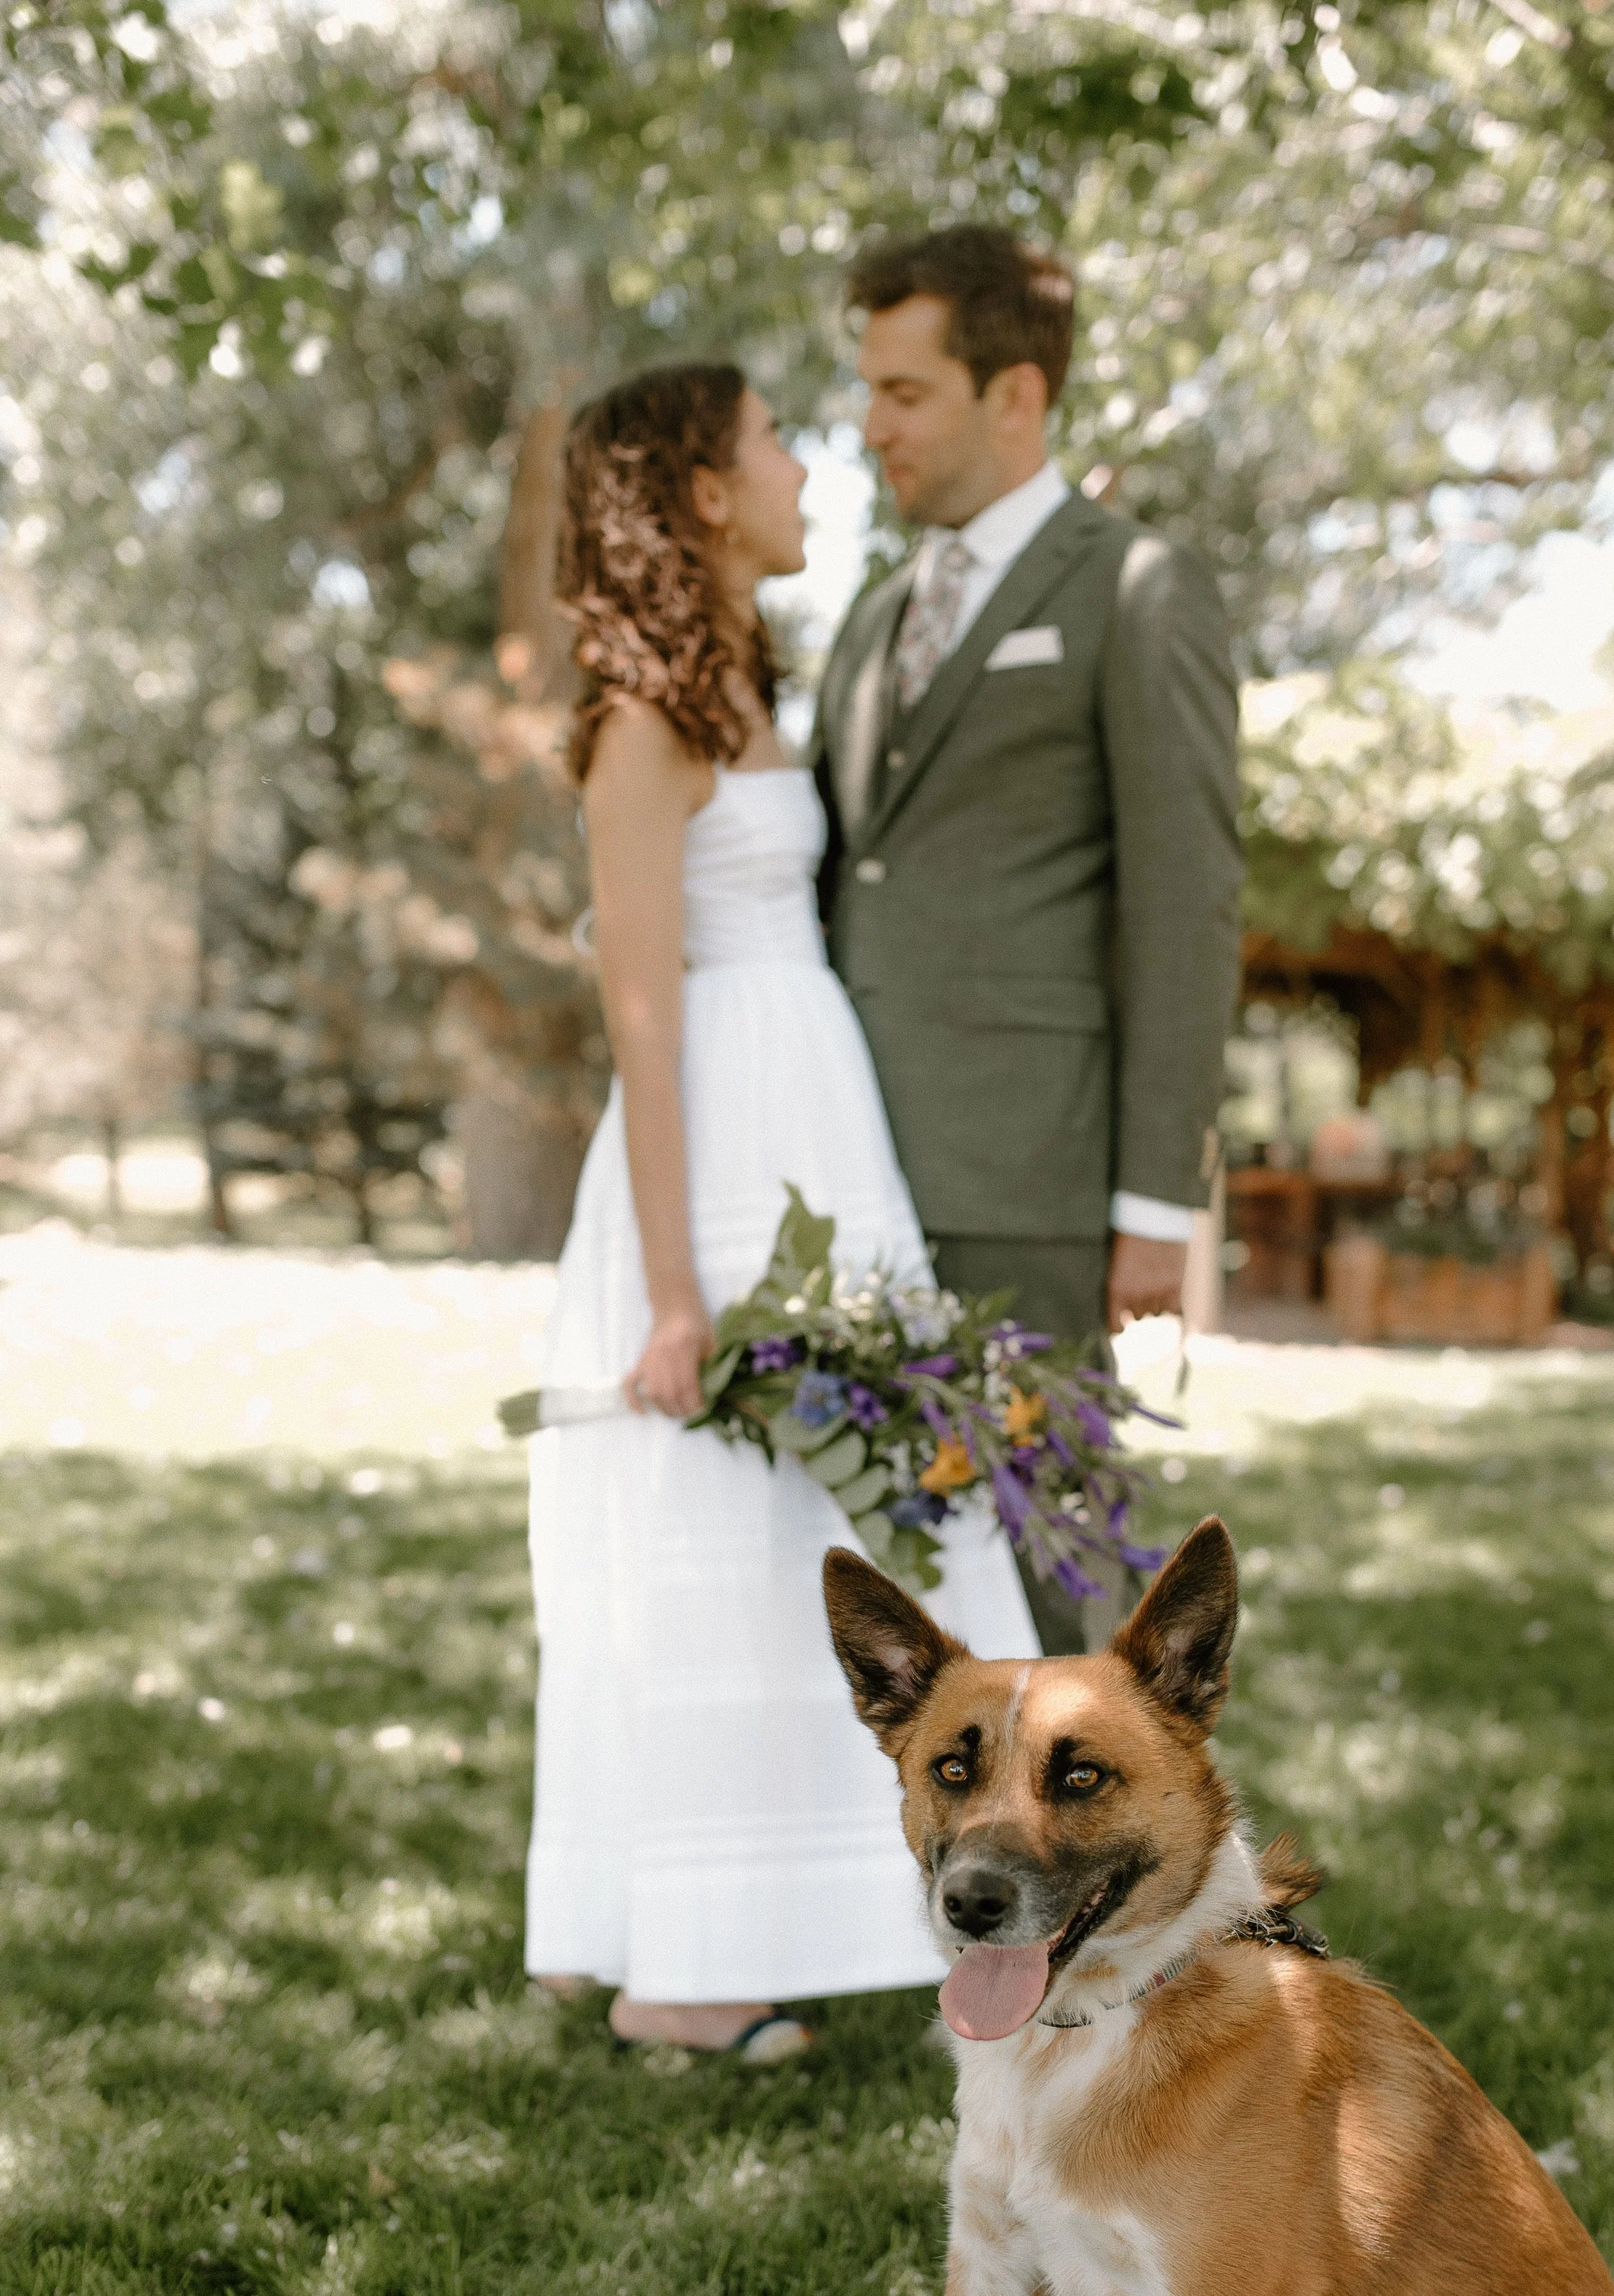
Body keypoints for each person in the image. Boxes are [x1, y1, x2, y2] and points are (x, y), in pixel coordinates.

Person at [523, 362, 1037, 2058]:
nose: (805, 461)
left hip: (815, 1115)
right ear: (696, 489)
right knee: (719, 1537)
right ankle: (681, 1965)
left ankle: (782, 1921)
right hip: (721, 1136)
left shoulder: (740, 682)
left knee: (826, 1535)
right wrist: (675, 1293)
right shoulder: (643, 715)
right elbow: (639, 1013)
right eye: (769, 442)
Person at [814, 225, 1242, 1655]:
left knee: (1058, 1584)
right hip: (847, 1169)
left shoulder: (1134, 590)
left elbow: (1185, 906)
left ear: (1017, 397)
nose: (872, 427)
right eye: (866, 392)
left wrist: (1154, 1207)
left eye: (905, 392)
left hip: (1031, 1185)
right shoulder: (873, 617)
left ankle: (1120, 1878)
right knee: (878, 1591)